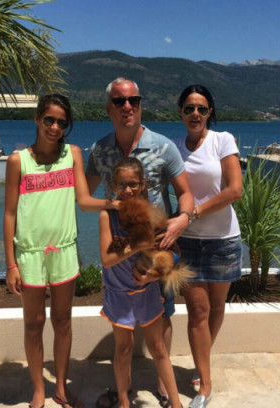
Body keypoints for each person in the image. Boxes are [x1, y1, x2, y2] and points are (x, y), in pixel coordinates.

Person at [3, 94, 118, 408]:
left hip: (64, 250)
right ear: (37, 119)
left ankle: (62, 390)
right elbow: (10, 214)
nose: (55, 127)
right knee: (33, 323)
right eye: (49, 120)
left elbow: (83, 200)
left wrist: (115, 203)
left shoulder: (73, 154)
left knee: (63, 321)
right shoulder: (18, 161)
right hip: (29, 254)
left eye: (62, 123)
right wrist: (11, 264)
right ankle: (38, 389)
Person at [86, 77, 194, 408]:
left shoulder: (164, 147)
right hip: (121, 253)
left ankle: (164, 389)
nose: (128, 106)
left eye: (134, 100)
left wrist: (182, 219)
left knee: (163, 318)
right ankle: (124, 391)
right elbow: (84, 194)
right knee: (124, 336)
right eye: (120, 101)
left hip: (157, 250)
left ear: (141, 104)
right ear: (109, 108)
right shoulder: (100, 150)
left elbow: (185, 193)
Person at [174, 84, 243, 408]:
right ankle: (205, 385)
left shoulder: (222, 140)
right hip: (188, 242)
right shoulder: (175, 149)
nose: (195, 113)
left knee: (216, 308)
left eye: (201, 108)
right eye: (189, 108)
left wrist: (194, 213)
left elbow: (235, 190)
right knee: (197, 311)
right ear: (180, 112)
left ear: (209, 112)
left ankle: (202, 363)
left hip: (223, 241)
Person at [98, 157, 182, 408]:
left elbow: (174, 253)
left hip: (146, 290)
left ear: (143, 184)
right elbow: (107, 259)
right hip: (119, 294)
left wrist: (153, 276)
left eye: (133, 184)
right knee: (123, 349)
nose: (128, 190)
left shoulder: (152, 213)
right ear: (114, 186)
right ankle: (124, 401)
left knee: (158, 348)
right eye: (122, 185)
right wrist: (138, 246)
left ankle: (176, 402)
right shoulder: (107, 216)